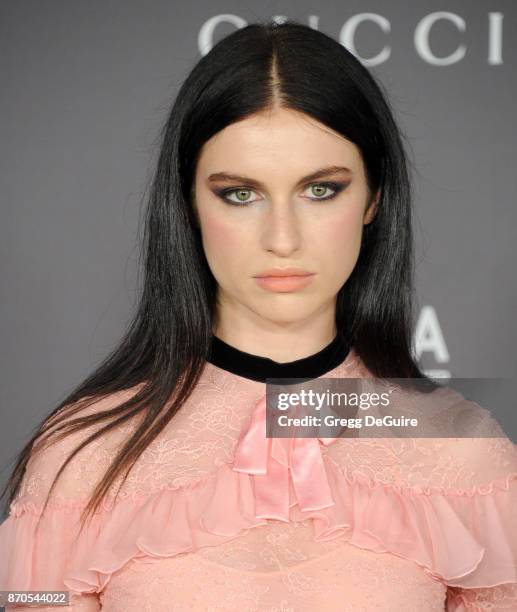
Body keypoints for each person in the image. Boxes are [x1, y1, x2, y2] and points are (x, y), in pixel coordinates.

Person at [1, 18, 516, 611]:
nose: (282, 238)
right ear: (189, 202)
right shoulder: (81, 455)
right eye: (240, 193)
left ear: (374, 197)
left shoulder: (466, 453)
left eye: (320, 189)